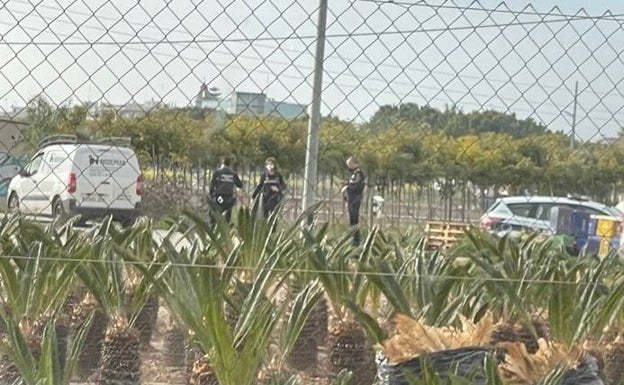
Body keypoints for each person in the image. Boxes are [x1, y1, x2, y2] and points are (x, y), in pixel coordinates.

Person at [208, 156, 243, 223]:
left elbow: (212, 185)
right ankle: (226, 231)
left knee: (214, 214)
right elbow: (240, 184)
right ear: (229, 164)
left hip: (219, 197)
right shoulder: (233, 173)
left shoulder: (218, 172)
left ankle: (213, 229)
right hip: (229, 198)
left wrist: (212, 195)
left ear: (222, 163)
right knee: (227, 217)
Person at [341, 156, 366, 246]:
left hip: (355, 199)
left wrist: (347, 187)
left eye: (350, 164)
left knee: (354, 219)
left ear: (356, 164)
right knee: (352, 219)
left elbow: (357, 186)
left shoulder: (359, 174)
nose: (349, 167)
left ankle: (356, 240)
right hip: (351, 199)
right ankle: (353, 238)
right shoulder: (354, 174)